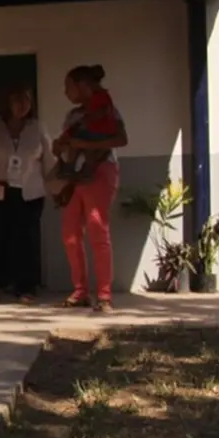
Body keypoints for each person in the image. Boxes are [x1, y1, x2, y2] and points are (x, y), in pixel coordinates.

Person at [54, 64, 128, 312]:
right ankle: (80, 291)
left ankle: (104, 295)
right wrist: (61, 147)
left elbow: (121, 139)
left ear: (83, 86)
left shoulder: (108, 110)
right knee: (70, 233)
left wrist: (85, 145)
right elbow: (66, 145)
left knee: (97, 228)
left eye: (69, 87)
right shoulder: (73, 116)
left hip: (101, 171)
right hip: (76, 175)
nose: (66, 92)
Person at [0, 84, 55, 305]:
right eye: (17, 99)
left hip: (30, 190)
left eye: (27, 99)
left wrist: (56, 189)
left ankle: (26, 286)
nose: (22, 105)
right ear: (7, 102)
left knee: (27, 238)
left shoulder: (38, 127)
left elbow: (49, 160)